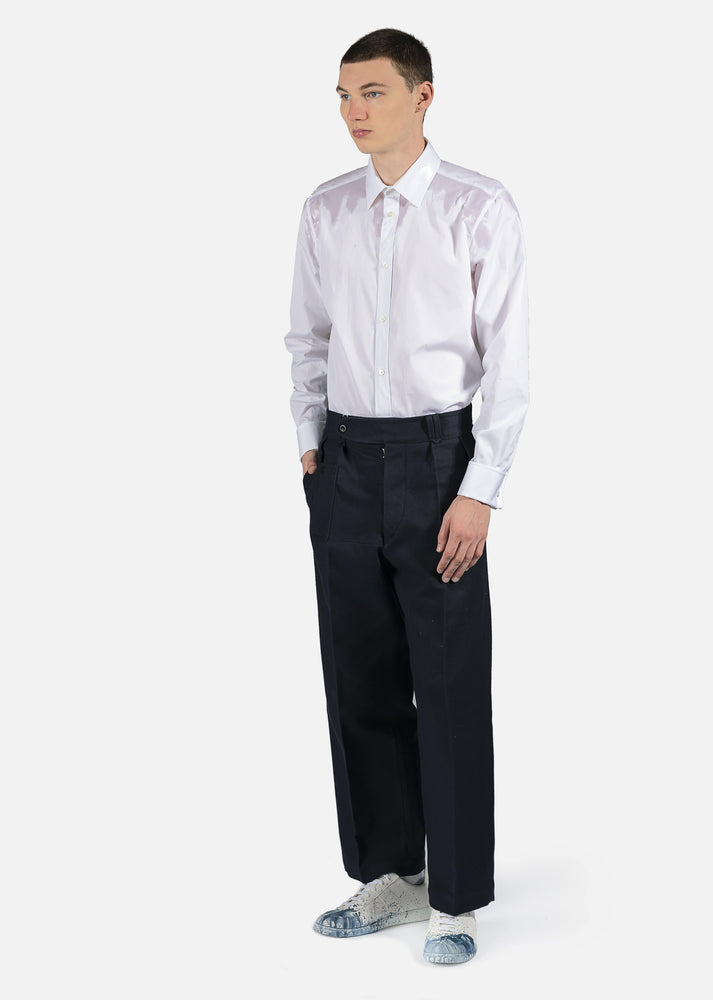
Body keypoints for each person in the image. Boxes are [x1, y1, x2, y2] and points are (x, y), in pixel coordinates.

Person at [283, 27, 530, 965]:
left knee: (451, 680)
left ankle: (456, 899)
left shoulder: (477, 206)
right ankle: (391, 873)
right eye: (344, 96)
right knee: (361, 676)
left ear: (423, 96)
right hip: (345, 464)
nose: (354, 111)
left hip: (439, 464)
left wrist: (480, 490)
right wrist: (311, 448)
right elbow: (307, 337)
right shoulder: (326, 209)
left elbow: (509, 362)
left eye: (374, 92)